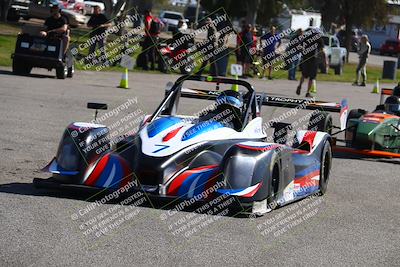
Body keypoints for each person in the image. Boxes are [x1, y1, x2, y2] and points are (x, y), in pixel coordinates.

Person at [296, 28, 324, 97]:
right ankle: (307, 92)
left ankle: (300, 85)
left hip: (306, 58)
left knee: (304, 74)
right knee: (312, 77)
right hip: (313, 59)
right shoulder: (319, 38)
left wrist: (303, 52)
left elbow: (300, 46)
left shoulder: (307, 37)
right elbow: (322, 49)